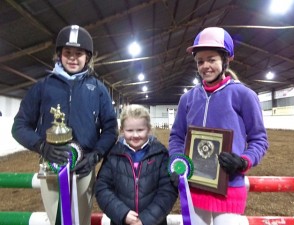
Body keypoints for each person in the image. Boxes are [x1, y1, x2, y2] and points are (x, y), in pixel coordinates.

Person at [11, 25, 118, 225]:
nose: (72, 58)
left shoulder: (98, 89)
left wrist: (96, 154)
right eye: (67, 52)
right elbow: (19, 126)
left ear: (88, 57)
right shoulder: (41, 87)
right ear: (59, 54)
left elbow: (111, 128)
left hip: (84, 167)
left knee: (82, 220)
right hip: (50, 167)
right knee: (56, 220)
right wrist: (41, 146)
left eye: (78, 53)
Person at [168, 27, 268, 225]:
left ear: (226, 59)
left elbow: (259, 139)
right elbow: (177, 137)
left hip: (229, 188)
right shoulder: (187, 99)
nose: (205, 66)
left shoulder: (244, 95)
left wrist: (243, 161)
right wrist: (177, 159)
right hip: (194, 186)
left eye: (211, 59)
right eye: (200, 61)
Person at [95, 104, 178, 225]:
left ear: (149, 129)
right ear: (122, 130)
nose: (135, 135)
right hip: (122, 221)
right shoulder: (113, 155)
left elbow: (168, 191)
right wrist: (123, 214)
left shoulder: (161, 154)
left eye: (140, 130)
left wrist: (145, 220)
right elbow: (102, 188)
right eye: (129, 130)